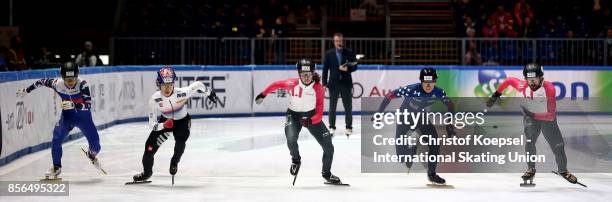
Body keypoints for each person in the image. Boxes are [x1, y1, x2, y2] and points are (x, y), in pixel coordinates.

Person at [486, 63, 579, 185]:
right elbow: (508, 81)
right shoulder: (522, 86)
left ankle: (563, 170)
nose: (532, 83)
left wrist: (533, 114)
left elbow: (551, 115)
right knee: (530, 142)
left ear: (541, 78)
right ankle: (531, 169)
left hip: (547, 119)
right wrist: (495, 95)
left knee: (558, 146)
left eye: (534, 79)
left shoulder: (549, 89)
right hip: (531, 119)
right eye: (529, 80)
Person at [254, 59, 343, 185]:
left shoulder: (318, 89)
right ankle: (296, 160)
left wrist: (310, 121)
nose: (306, 77)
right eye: (303, 75)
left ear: (313, 74)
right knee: (291, 139)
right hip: (293, 114)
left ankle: (326, 173)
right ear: (298, 74)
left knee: (329, 146)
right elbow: (275, 85)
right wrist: (263, 94)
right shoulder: (291, 83)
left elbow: (319, 112)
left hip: (311, 116)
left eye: (308, 74)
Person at [16, 62, 102, 179]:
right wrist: (27, 90)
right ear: (62, 77)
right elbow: (41, 82)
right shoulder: (57, 84)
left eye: (72, 79)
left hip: (84, 118)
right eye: (67, 80)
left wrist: (73, 104)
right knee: (57, 136)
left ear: (77, 77)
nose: (70, 83)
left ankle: (92, 155)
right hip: (68, 117)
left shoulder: (83, 85)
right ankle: (56, 167)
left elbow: (88, 105)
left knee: (96, 147)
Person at [132, 67, 219, 182]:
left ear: (174, 84)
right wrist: (163, 125)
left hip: (182, 121)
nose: (167, 88)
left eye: (170, 85)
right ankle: (147, 173)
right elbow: (151, 124)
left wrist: (209, 93)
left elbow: (198, 84)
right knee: (149, 148)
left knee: (180, 141)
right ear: (159, 84)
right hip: (166, 122)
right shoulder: (154, 100)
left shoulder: (182, 93)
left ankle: (174, 162)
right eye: (164, 85)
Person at [376, 67, 455, 185]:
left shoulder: (439, 92)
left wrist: (450, 124)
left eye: (431, 82)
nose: (428, 85)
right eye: (425, 82)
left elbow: (450, 105)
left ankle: (432, 174)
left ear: (435, 82)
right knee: (402, 158)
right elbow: (389, 95)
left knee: (435, 144)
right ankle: (412, 149)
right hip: (405, 118)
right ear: (421, 81)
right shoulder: (411, 89)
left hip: (421, 118)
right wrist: (379, 113)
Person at [323, 33, 357, 136]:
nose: (339, 43)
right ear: (334, 42)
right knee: (332, 107)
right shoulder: (329, 54)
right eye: (337, 41)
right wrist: (324, 83)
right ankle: (332, 127)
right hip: (333, 84)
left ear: (343, 41)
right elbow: (325, 69)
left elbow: (355, 66)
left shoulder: (349, 52)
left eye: (340, 41)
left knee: (348, 107)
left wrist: (348, 69)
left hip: (346, 84)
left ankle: (349, 127)